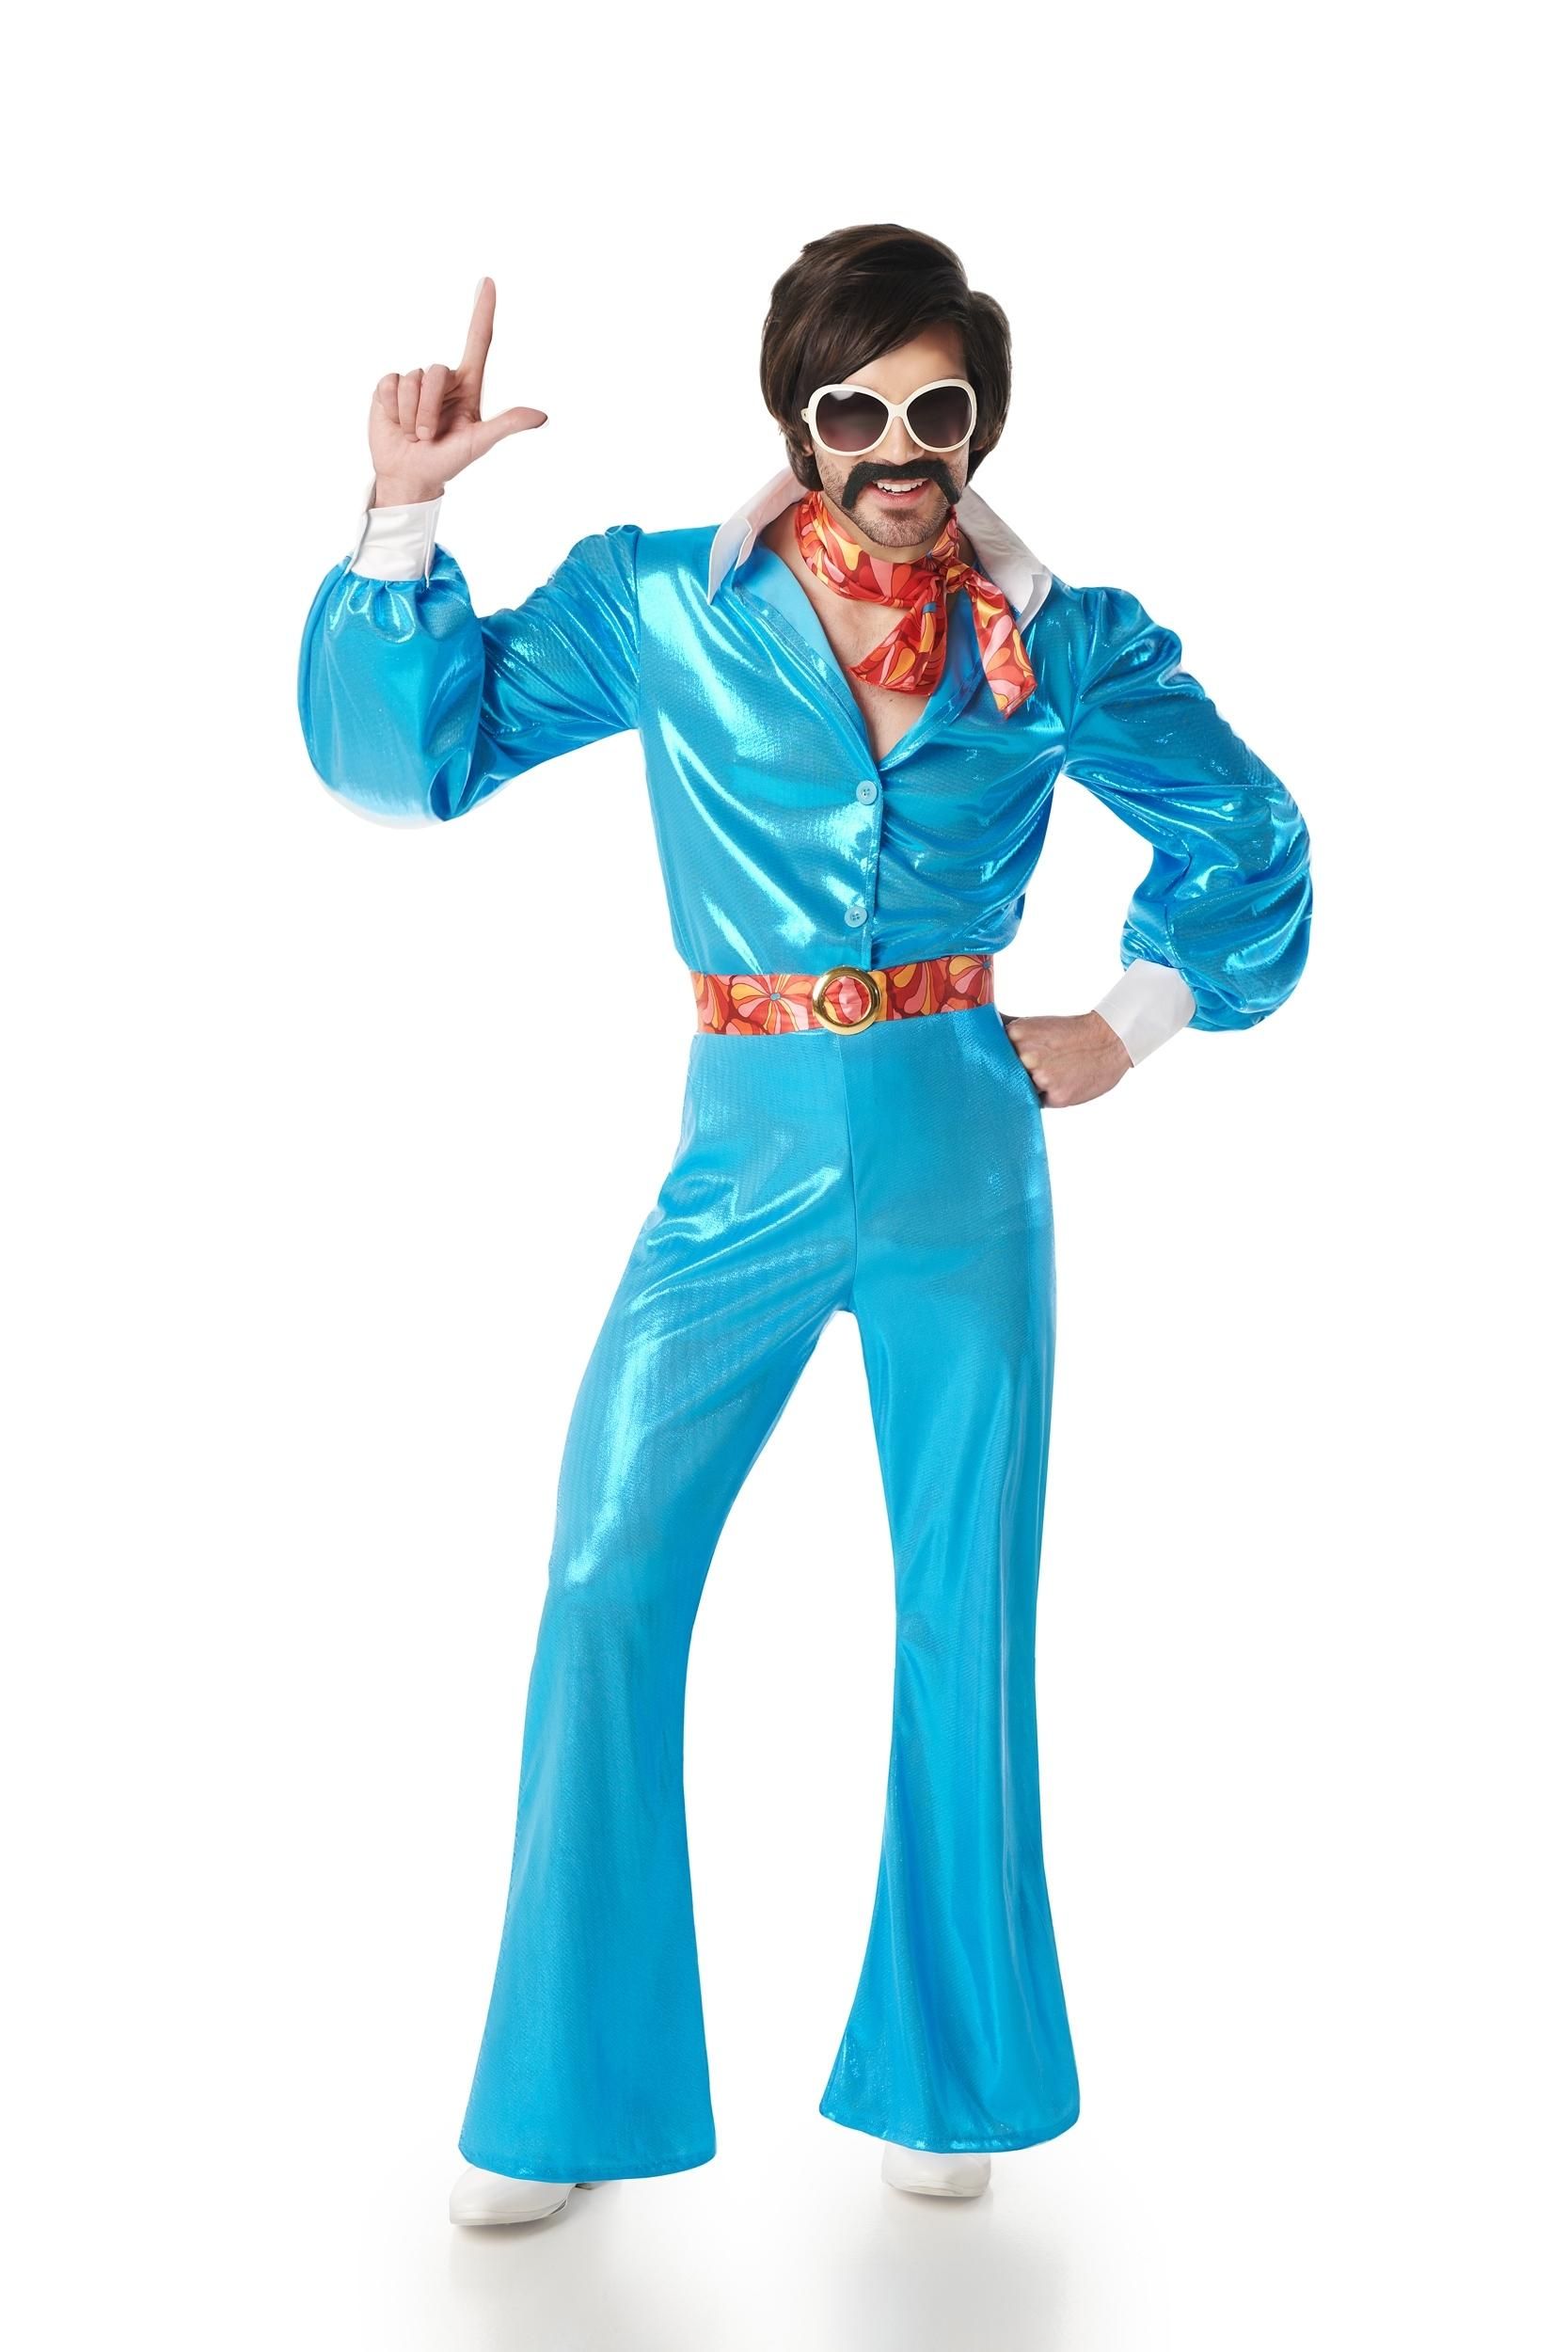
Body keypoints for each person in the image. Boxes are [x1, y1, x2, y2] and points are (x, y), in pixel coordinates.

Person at [296, 225, 1312, 2225]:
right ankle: (567, 2099)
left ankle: (954, 2070)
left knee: (963, 1607)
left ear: (981, 423)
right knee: (607, 1570)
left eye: (941, 410)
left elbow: (1251, 830)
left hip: (964, 1159)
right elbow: (412, 762)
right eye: (860, 409)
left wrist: (1133, 1019)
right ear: (799, 419)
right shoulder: (664, 601)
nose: (901, 448)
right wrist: (402, 523)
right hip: (739, 1163)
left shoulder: (1064, 643)